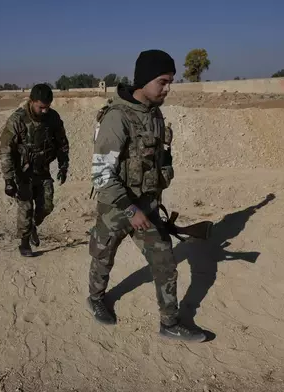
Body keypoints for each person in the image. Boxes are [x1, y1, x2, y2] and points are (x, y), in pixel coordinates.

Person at [88, 49, 206, 342]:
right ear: (144, 81)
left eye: (170, 82)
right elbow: (101, 175)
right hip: (116, 208)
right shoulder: (117, 118)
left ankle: (170, 322)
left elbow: (157, 161)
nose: (168, 88)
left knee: (165, 261)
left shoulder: (155, 114)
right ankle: (95, 298)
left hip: (147, 206)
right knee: (103, 257)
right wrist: (130, 210)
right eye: (163, 81)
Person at [0, 83, 69, 257]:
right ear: (31, 102)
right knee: (26, 208)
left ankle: (32, 227)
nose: (45, 111)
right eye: (41, 107)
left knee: (47, 206)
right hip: (23, 173)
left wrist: (63, 164)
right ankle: (24, 243)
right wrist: (8, 179)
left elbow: (62, 142)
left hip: (43, 170)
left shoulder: (52, 118)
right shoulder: (17, 120)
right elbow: (5, 150)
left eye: (48, 107)